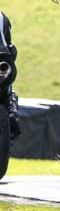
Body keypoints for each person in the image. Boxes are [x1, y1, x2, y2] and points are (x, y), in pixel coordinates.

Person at [0, 12, 20, 142]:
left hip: (4, 61)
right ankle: (12, 117)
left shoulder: (2, 18)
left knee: (7, 90)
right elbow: (11, 50)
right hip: (4, 61)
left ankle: (12, 118)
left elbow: (10, 50)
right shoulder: (2, 17)